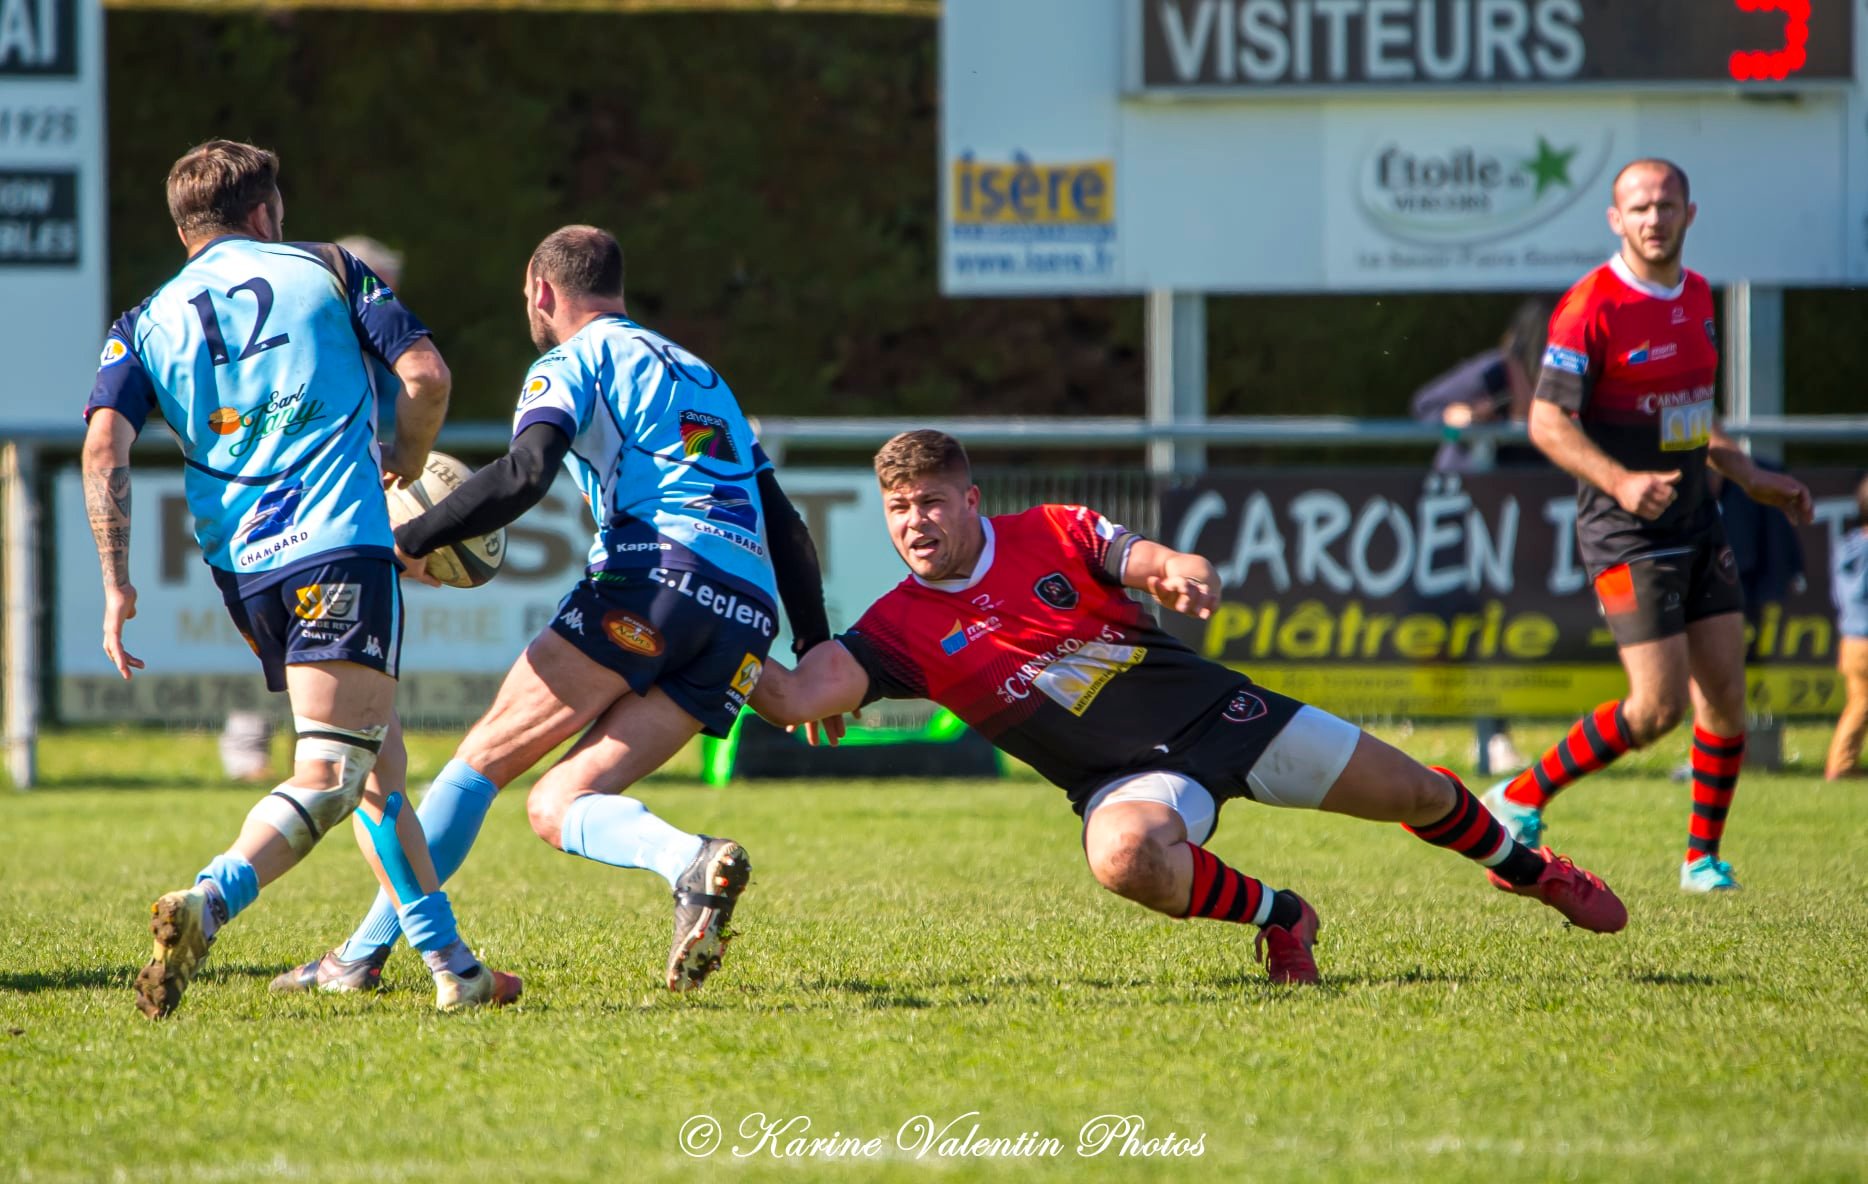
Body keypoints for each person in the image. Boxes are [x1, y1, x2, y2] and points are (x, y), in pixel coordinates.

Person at [747, 431, 1625, 986]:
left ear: (971, 499)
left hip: (1225, 715)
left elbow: (1147, 557)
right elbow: (792, 697)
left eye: (931, 501)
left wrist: (1179, 569)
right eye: (899, 510)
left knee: (1422, 797)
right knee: (1125, 860)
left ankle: (1525, 867)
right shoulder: (897, 627)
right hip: (1123, 780)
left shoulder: (1050, 531)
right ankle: (1283, 918)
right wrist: (710, 648)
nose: (915, 523)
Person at [270, 225, 829, 995]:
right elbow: (786, 525)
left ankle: (358, 960)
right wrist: (818, 642)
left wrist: (414, 538)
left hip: (651, 580)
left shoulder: (572, 359)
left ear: (542, 289)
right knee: (559, 802)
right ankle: (689, 862)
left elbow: (526, 472)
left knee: (475, 768)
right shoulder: (705, 376)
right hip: (742, 614)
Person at [82, 139, 519, 1018]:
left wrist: (116, 581)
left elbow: (104, 446)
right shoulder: (326, 266)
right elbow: (425, 376)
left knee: (375, 760)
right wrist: (409, 456)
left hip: (243, 570)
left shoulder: (145, 319)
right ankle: (209, 900)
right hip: (337, 544)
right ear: (264, 212)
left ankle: (453, 970)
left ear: (182, 230)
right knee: (330, 773)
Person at [1480, 158, 1813, 893]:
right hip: (1624, 533)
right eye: (1638, 208)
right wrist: (1622, 481)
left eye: (1665, 205)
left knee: (1725, 696)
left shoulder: (1695, 295)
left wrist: (1751, 474)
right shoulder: (1590, 306)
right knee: (1656, 707)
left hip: (1699, 521)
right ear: (1615, 219)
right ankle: (1522, 794)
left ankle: (1701, 860)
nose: (1652, 219)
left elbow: (1693, 413)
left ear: (1690, 213)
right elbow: (1543, 420)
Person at [1410, 296, 1554, 773]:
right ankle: (1478, 732)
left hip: (1521, 513)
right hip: (1462, 511)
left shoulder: (1569, 375)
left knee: (1506, 620)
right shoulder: (1492, 371)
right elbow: (1426, 406)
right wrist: (1455, 418)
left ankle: (1493, 735)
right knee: (1456, 618)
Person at [1825, 476, 1868, 780]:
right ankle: (1841, 765)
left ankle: (1842, 763)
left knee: (1858, 703)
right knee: (1862, 705)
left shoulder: (1849, 546)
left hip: (1850, 639)